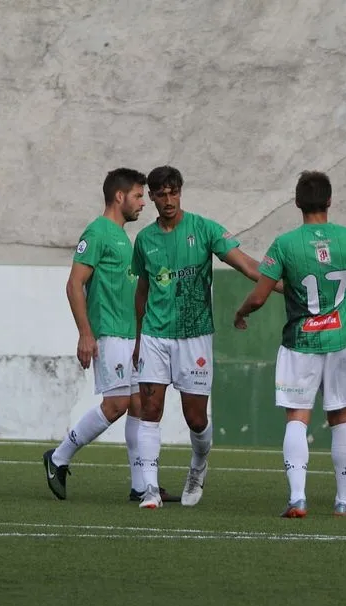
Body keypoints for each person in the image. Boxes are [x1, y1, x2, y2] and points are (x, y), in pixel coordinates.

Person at [232, 171, 346, 518]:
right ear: (330, 201)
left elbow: (259, 296)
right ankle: (343, 501)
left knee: (297, 418)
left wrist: (241, 311)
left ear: (297, 202)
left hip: (300, 343)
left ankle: (298, 498)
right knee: (340, 416)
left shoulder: (285, 244)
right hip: (341, 341)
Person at [131, 165, 277, 509]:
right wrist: (138, 337)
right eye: (161, 194)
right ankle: (150, 490)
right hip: (155, 334)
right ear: (151, 197)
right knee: (150, 410)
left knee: (195, 418)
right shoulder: (145, 240)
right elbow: (142, 289)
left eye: (174, 193)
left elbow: (245, 264)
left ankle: (198, 467)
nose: (168, 200)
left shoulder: (204, 228)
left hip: (194, 335)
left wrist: (282, 286)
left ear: (181, 192)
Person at [43, 168, 181, 503]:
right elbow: (74, 283)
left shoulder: (123, 237)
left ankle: (140, 486)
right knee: (117, 404)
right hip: (109, 333)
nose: (142, 203)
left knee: (138, 404)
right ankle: (59, 457)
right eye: (137, 196)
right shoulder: (98, 231)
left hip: (130, 335)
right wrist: (85, 334)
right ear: (119, 197)